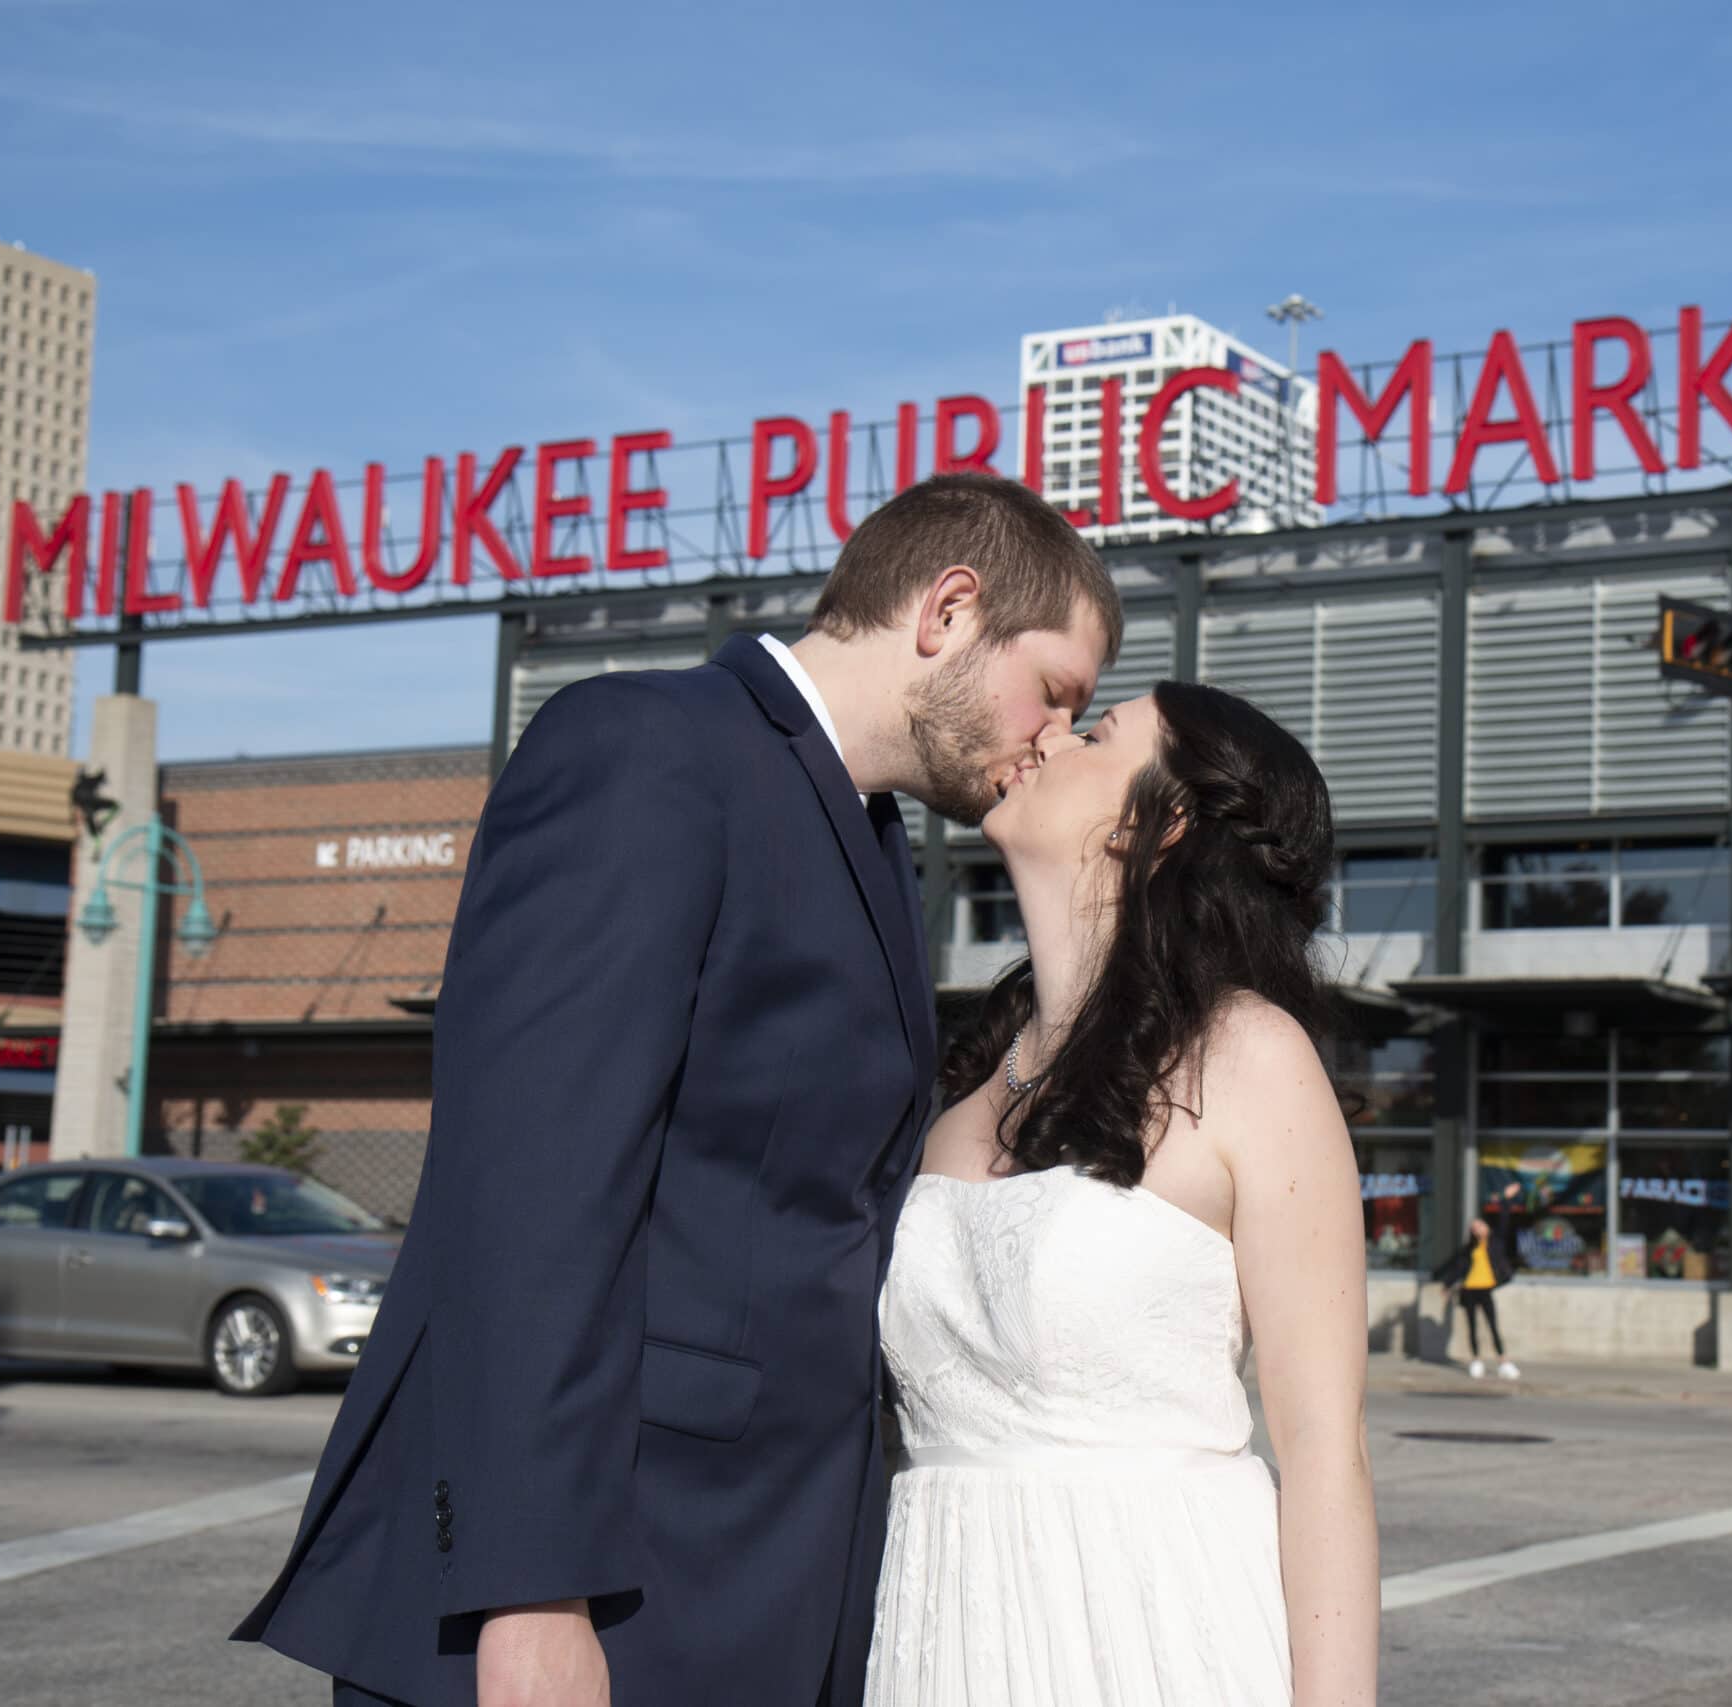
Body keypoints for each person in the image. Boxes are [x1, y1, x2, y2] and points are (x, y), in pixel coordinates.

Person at [233, 473, 1120, 1707]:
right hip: (605, 1584)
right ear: (950, 610)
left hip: (766, 1578)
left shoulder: (866, 834)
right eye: (1057, 691)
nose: (1056, 736)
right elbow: (536, 1187)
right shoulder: (645, 749)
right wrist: (528, 1595)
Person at [867, 680, 1379, 1707]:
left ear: (1163, 820)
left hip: (1158, 1633)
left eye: (1094, 732)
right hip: (942, 1630)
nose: (1046, 731)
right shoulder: (960, 1086)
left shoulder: (1247, 1059)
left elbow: (1327, 1453)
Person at [1431, 1182, 1521, 1380]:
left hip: (1485, 1289)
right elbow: (1458, 1269)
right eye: (1473, 1228)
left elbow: (1504, 1220)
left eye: (1479, 1226)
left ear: (1486, 1227)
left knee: (1493, 1326)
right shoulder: (1469, 1249)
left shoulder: (1495, 1243)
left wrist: (1506, 1199)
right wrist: (1447, 1285)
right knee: (1471, 1326)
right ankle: (1476, 1360)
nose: (1477, 1230)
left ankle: (1504, 1362)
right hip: (1469, 1289)